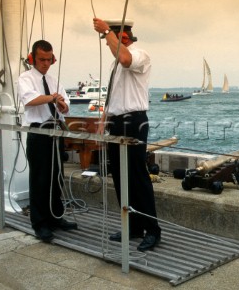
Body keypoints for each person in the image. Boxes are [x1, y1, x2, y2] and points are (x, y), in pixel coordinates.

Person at [93, 17, 161, 251]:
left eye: (109, 38)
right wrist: (104, 120)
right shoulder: (114, 65)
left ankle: (152, 229)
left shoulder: (139, 54)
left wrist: (105, 31)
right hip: (116, 121)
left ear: (122, 36)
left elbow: (125, 59)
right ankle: (132, 226)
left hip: (134, 121)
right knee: (121, 176)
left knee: (137, 176)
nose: (107, 44)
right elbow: (113, 96)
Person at [17, 40, 78, 242]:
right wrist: (52, 98)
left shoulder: (54, 80)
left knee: (57, 176)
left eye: (49, 59)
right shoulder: (25, 78)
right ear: (33, 58)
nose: (45, 63)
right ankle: (40, 222)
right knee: (40, 179)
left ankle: (55, 216)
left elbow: (65, 106)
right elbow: (29, 100)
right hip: (39, 132)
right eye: (42, 59)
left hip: (55, 131)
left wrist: (61, 104)